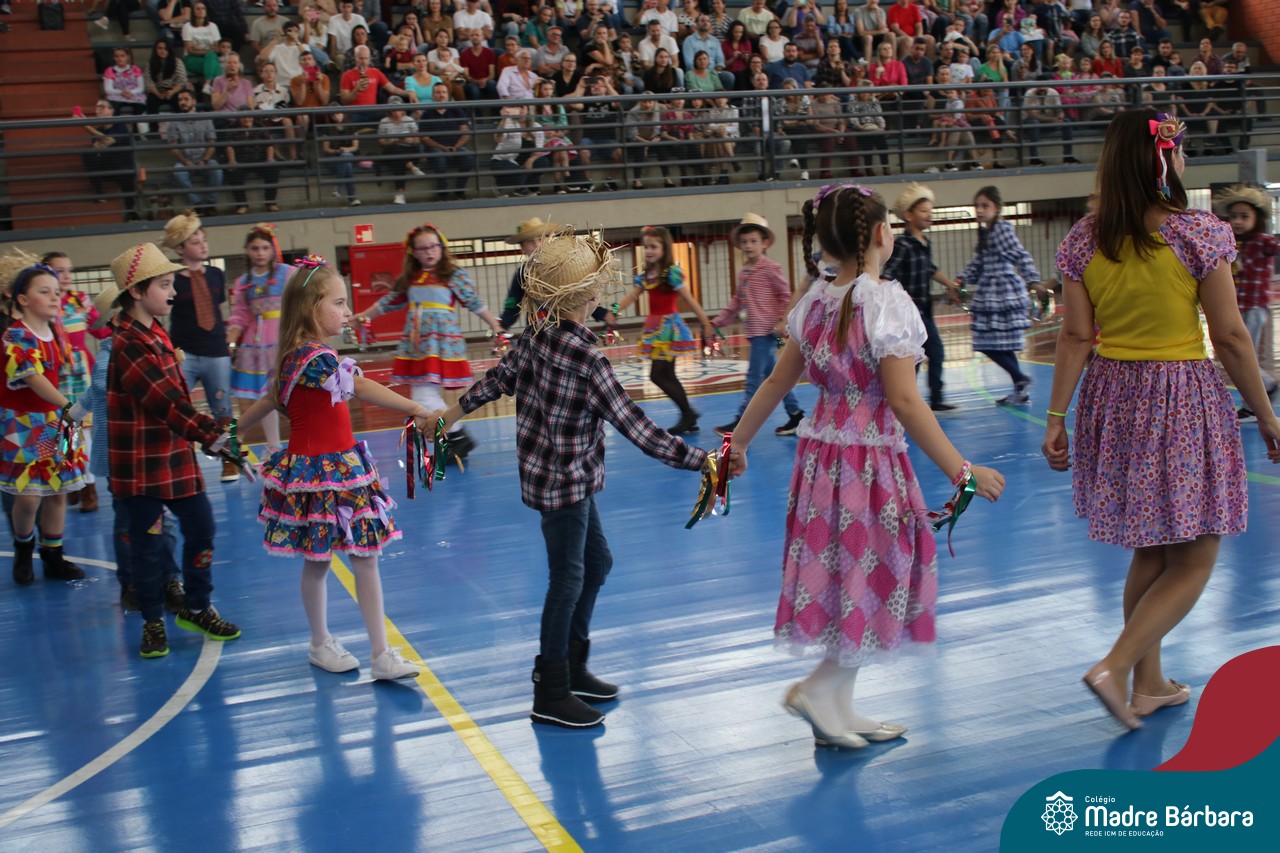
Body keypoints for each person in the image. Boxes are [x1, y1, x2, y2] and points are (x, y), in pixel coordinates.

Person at [724, 184, 1005, 748]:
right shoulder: (885, 304)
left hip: (821, 462)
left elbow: (776, 381)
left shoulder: (815, 302)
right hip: (868, 463)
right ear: (880, 233)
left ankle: (838, 704)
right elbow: (904, 401)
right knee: (877, 569)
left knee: (843, 572)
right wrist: (962, 470)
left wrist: (739, 443)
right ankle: (818, 689)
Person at [1044, 110, 1280, 731]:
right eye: (1178, 150)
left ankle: (1148, 684)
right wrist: (1266, 414)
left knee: (1151, 549)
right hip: (1179, 397)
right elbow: (1230, 337)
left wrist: (1056, 417)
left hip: (1112, 395)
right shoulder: (1197, 233)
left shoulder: (1085, 239)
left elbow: (1075, 336)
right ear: (1165, 159)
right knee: (1197, 554)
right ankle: (1116, 666)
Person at [432, 230, 711, 728]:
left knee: (596, 563)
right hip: (565, 485)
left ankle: (574, 667)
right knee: (568, 579)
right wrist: (702, 461)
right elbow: (638, 429)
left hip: (553, 479)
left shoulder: (534, 338)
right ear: (587, 294)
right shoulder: (587, 359)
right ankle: (551, 688)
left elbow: (496, 381)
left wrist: (450, 413)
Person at [233, 258, 422, 680]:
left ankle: (374, 651)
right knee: (330, 560)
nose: (347, 311)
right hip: (322, 474)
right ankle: (330, 644)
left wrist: (234, 429)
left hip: (338, 469)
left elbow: (269, 399)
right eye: (338, 303)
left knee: (354, 557)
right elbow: (360, 386)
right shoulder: (311, 356)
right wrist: (416, 408)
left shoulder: (297, 356)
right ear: (310, 307)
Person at [106, 243, 241, 658]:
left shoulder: (156, 331)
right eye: (164, 285)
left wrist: (210, 434)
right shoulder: (128, 343)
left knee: (202, 528)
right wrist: (211, 434)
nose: (173, 292)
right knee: (147, 548)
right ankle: (152, 622)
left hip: (174, 457)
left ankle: (197, 607)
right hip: (140, 467)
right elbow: (164, 401)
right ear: (136, 291)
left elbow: (175, 399)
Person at [351, 223, 502, 459]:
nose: (430, 252)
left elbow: (475, 302)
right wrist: (361, 317)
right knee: (424, 393)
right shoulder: (411, 279)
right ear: (413, 252)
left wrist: (495, 325)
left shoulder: (453, 275)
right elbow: (388, 302)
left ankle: (457, 436)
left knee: (423, 394)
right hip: (418, 344)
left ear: (441, 247)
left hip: (441, 342)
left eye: (434, 246)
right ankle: (456, 437)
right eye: (423, 248)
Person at [0, 257, 89, 586]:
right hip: (23, 423)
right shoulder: (15, 335)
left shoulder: (55, 333)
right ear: (23, 299)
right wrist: (69, 405)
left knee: (58, 490)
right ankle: (23, 547)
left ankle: (53, 555)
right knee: (28, 495)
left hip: (57, 420)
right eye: (44, 291)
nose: (54, 297)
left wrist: (69, 412)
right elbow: (33, 377)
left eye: (56, 291)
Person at [606, 225, 713, 435]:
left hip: (668, 328)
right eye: (646, 247)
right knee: (666, 374)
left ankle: (688, 413)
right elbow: (631, 297)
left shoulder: (671, 273)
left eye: (653, 246)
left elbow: (690, 300)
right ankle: (688, 415)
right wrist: (614, 311)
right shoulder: (646, 276)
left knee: (658, 375)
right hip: (655, 328)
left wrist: (706, 323)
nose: (649, 251)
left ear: (665, 248)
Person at [161, 211, 239, 483]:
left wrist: (228, 342)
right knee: (177, 407)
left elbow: (217, 309)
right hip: (184, 353)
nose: (203, 245)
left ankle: (230, 460)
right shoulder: (172, 278)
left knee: (223, 409)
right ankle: (179, 463)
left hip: (216, 351)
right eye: (195, 242)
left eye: (204, 240)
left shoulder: (216, 274)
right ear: (180, 248)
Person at [712, 213, 805, 437]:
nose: (748, 245)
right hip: (754, 331)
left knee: (754, 378)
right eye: (744, 242)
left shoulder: (770, 268)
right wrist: (718, 322)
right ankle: (796, 415)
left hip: (766, 332)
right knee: (776, 377)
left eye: (753, 241)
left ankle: (741, 421)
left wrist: (783, 320)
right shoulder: (744, 271)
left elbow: (785, 295)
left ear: (764, 243)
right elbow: (737, 301)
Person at [956, 185, 1040, 406]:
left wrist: (1033, 279)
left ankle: (1020, 378)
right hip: (990, 291)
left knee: (986, 342)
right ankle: (1019, 387)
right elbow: (979, 263)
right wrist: (961, 279)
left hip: (1001, 292)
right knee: (996, 343)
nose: (979, 210)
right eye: (977, 206)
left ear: (997, 208)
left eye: (985, 206)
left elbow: (1019, 255)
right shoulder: (987, 232)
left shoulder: (1001, 229)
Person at [43, 252, 111, 513]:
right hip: (56, 373)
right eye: (59, 271)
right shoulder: (44, 304)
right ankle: (70, 477)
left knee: (85, 430)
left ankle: (89, 488)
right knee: (64, 429)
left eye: (69, 270)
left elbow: (100, 330)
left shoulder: (79, 301)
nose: (66, 276)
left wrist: (120, 325)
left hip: (81, 372)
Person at [1213, 183, 1280, 421]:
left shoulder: (1262, 241)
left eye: (1244, 216)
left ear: (1257, 218)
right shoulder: (1233, 242)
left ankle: (1266, 388)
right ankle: (1255, 398)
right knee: (1239, 355)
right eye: (1233, 217)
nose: (1238, 221)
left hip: (1255, 307)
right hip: (1238, 306)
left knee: (1242, 355)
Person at [227, 224, 289, 457]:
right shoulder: (243, 282)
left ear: (272, 250)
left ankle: (308, 439)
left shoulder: (288, 273)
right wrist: (231, 342)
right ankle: (274, 447)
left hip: (285, 338)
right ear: (247, 250)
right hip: (258, 345)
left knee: (294, 391)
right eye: (255, 248)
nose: (260, 253)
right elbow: (239, 315)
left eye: (265, 247)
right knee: (267, 396)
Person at [320, 108, 360, 207]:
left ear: (342, 113)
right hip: (334, 158)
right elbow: (326, 148)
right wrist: (337, 151)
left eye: (338, 113)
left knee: (346, 157)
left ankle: (338, 187)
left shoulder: (351, 126)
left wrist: (347, 149)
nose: (336, 117)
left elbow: (355, 146)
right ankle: (352, 197)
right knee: (347, 164)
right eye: (333, 115)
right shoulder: (328, 128)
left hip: (349, 155)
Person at [144, 39, 188, 115]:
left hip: (173, 90)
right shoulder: (150, 64)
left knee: (178, 99)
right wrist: (158, 94)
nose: (162, 51)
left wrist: (172, 91)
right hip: (157, 91)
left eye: (165, 49)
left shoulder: (177, 62)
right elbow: (148, 82)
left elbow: (182, 80)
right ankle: (153, 123)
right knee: (151, 100)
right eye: (160, 48)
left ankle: (180, 121)